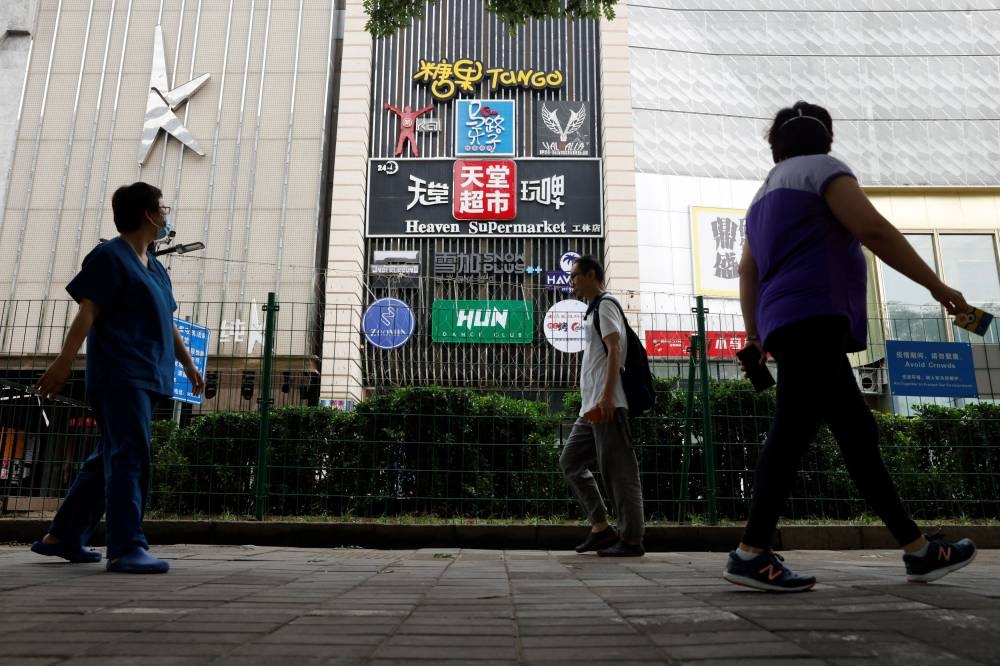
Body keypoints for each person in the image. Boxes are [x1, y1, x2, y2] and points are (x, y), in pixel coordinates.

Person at [723, 101, 977, 592]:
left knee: (850, 431)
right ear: (827, 138)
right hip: (814, 316)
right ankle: (750, 552)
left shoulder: (762, 195)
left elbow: (747, 270)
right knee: (797, 432)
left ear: (776, 144)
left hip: (785, 323)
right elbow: (873, 229)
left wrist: (754, 334)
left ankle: (917, 549)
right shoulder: (825, 171)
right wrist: (937, 287)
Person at [30, 182, 205, 574]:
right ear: (148, 214)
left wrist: (188, 365)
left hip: (147, 373)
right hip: (120, 373)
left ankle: (62, 537)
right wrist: (64, 362)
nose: (167, 213)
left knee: (106, 457)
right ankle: (126, 546)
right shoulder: (110, 256)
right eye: (163, 207)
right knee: (130, 455)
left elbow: (168, 321)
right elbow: (88, 312)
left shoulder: (155, 267)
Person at [559, 256, 645, 557]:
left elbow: (615, 350)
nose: (572, 282)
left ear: (591, 274)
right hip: (591, 408)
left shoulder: (606, 304)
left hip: (608, 405)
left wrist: (607, 397)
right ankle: (601, 528)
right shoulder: (592, 309)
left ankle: (632, 540)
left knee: (619, 473)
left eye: (575, 276)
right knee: (570, 462)